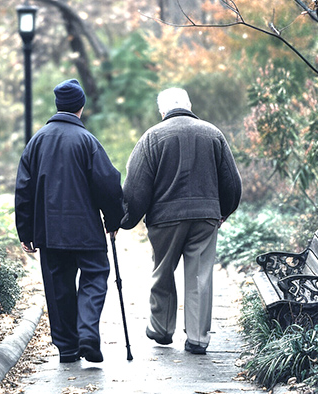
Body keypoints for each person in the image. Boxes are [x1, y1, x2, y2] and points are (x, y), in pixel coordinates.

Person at [120, 87, 242, 354]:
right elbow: (232, 183)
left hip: (165, 220)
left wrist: (125, 219)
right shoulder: (213, 134)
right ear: (189, 105)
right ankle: (198, 338)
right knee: (200, 276)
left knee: (163, 271)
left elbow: (136, 187)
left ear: (162, 111)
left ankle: (162, 329)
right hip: (205, 217)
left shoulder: (152, 137)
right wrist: (223, 211)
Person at [15, 79, 124, 363]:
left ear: (58, 105)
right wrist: (114, 219)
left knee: (58, 285)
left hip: (49, 231)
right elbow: (109, 184)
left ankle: (67, 347)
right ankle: (87, 332)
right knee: (96, 275)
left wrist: (25, 231)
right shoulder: (87, 141)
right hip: (86, 229)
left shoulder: (36, 141)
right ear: (81, 106)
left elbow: (23, 189)